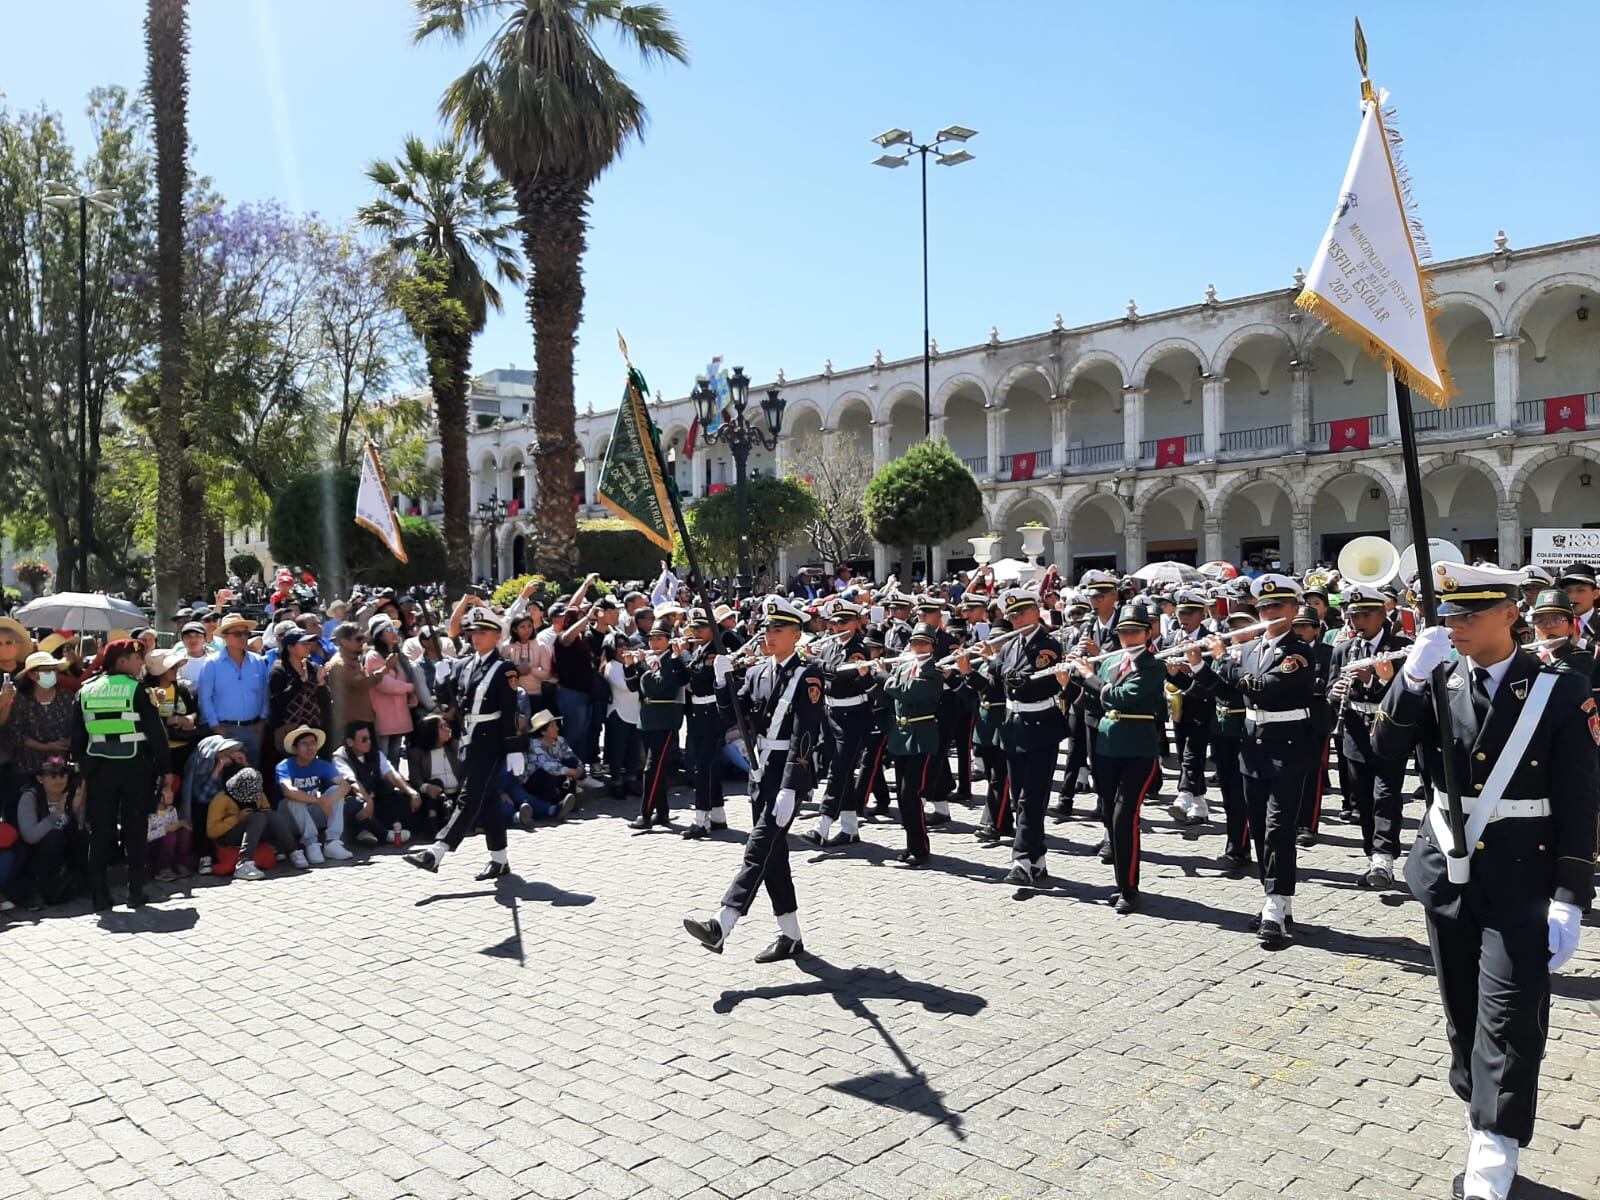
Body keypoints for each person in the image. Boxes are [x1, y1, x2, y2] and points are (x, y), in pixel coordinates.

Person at [1371, 562, 1597, 1200]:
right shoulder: (1436, 678)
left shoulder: (1560, 687)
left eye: (1471, 614)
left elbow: (1581, 798)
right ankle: (1480, 1110)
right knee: (1463, 1013)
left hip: (1525, 870)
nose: (1456, 626)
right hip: (1447, 865)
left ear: (1510, 614)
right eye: (1449, 616)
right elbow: (1383, 751)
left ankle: (1493, 1155)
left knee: (1510, 1014)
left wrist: (1572, 895)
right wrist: (1410, 678)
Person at [683, 595, 823, 962]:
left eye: (778, 628)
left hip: (787, 772)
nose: (770, 634)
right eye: (767, 628)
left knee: (757, 848)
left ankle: (722, 922)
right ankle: (790, 936)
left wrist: (792, 785)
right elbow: (734, 715)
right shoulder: (760, 671)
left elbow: (805, 734)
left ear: (796, 634)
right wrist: (722, 679)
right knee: (773, 855)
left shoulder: (807, 676)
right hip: (760, 770)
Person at [1186, 574, 1314, 946]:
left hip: (1288, 745)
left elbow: (1263, 688)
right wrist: (1198, 667)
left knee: (1278, 828)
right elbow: (1229, 692)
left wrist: (1224, 658)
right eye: (1264, 608)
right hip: (1253, 744)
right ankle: (1277, 895)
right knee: (1257, 825)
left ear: (1294, 610)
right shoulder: (1253, 649)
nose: (1270, 612)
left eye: (1278, 607)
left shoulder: (1298, 651)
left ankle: (1275, 903)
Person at [405, 607, 522, 879]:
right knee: (488, 799)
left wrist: (515, 748)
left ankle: (437, 851)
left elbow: (511, 712)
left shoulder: (504, 669)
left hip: (492, 740)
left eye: (483, 632)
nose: (476, 637)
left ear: (497, 636)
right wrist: (443, 676)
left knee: (470, 796)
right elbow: (447, 702)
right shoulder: (463, 664)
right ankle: (500, 860)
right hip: (469, 739)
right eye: (473, 632)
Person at [960, 587, 1066, 888]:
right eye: (1013, 616)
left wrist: (994, 662)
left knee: (1031, 797)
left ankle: (1020, 860)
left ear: (1036, 611)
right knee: (1020, 797)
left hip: (1040, 726)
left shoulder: (1049, 645)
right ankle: (1037, 858)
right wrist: (969, 673)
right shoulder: (1009, 647)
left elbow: (1026, 682)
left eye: (1022, 613)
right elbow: (994, 687)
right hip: (1013, 726)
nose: (1018, 620)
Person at [1067, 602, 1166, 914]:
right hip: (1107, 748)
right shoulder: (1110, 663)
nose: (1129, 637)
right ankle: (1121, 881)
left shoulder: (1153, 665)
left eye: (1135, 631)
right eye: (1124, 632)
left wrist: (1089, 677)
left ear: (1148, 633)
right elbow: (1092, 704)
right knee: (1109, 815)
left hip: (1138, 750)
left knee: (1125, 819)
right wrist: (1071, 681)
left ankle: (1130, 889)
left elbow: (1119, 696)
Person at [71, 639, 172, 911]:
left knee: (100, 832)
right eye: (137, 658)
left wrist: (86, 767)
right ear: (121, 661)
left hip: (99, 769)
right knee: (134, 829)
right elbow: (157, 736)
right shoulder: (138, 690)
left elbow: (77, 739)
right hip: (135, 768)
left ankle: (100, 896)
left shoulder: (85, 690)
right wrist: (166, 771)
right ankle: (135, 892)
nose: (141, 663)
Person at [1326, 584, 1411, 887]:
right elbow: (1329, 685)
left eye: (1364, 615)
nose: (1357, 622)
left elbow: (1409, 693)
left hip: (1387, 730)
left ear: (1381, 614)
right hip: (1354, 730)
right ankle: (1371, 853)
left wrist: (1376, 679)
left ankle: (1384, 856)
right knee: (1361, 797)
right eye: (1352, 616)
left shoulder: (1401, 646)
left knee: (1385, 795)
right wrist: (1335, 693)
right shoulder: (1343, 649)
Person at [803, 603, 873, 848]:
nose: (838, 627)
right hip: (831, 713)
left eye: (844, 623)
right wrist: (811, 656)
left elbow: (836, 675)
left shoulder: (858, 650)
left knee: (838, 772)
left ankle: (821, 825)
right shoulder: (831, 645)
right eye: (834, 623)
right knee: (839, 771)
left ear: (855, 623)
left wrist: (813, 659)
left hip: (852, 715)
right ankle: (850, 828)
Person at [879, 625, 942, 867]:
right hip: (900, 736)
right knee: (902, 797)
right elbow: (889, 696)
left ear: (932, 646)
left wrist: (884, 677)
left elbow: (907, 692)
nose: (918, 647)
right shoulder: (905, 666)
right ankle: (910, 843)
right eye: (915, 643)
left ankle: (920, 848)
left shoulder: (934, 672)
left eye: (924, 643)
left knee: (911, 795)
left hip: (921, 737)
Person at [625, 621, 688, 831]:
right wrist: (629, 666)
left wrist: (642, 666)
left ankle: (645, 814)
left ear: (669, 641)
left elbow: (657, 688)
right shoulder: (652, 659)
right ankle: (662, 813)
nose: (653, 642)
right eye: (651, 638)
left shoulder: (672, 659)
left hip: (665, 720)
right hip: (647, 719)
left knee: (651, 769)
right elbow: (634, 687)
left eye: (659, 638)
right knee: (656, 769)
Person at [680, 610, 732, 839]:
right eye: (694, 629)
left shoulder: (716, 652)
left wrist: (684, 658)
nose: (696, 632)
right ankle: (718, 815)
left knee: (702, 766)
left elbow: (700, 677)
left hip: (712, 711)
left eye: (701, 628)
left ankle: (701, 820)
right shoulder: (700, 650)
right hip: (698, 712)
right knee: (707, 765)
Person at [196, 614, 271, 765]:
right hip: (225, 730)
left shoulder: (258, 661)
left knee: (252, 777)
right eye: (238, 634)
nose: (243, 637)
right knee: (225, 777)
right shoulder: (212, 663)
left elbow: (265, 694)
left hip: (253, 729)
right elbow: (205, 697)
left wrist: (262, 722)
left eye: (246, 633)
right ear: (225, 637)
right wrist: (215, 726)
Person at [333, 722, 421, 846]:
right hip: (356, 800)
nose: (369, 742)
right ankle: (384, 834)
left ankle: (367, 831)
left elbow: (391, 774)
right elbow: (352, 781)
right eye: (364, 740)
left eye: (369, 738)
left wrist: (411, 792)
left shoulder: (375, 753)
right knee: (355, 805)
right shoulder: (339, 757)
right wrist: (368, 800)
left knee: (404, 798)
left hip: (376, 799)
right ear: (350, 742)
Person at [273, 726, 352, 864]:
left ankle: (332, 842)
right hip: (290, 819)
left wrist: (327, 801)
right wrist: (319, 801)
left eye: (313, 743)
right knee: (293, 799)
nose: (310, 748)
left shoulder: (322, 765)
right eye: (304, 744)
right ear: (295, 748)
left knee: (335, 790)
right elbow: (288, 791)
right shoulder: (284, 766)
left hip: (313, 815)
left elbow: (345, 785)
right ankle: (311, 844)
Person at [15, 756, 85, 908]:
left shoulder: (71, 794)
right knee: (54, 837)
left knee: (81, 837)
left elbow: (81, 830)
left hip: (65, 855)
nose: (58, 780)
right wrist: (54, 816)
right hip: (36, 855)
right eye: (52, 776)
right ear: (40, 778)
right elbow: (30, 836)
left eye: (62, 775)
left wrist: (77, 810)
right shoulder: (30, 797)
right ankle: (36, 892)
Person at [206, 767, 298, 881]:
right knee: (258, 817)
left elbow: (266, 811)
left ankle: (293, 851)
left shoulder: (258, 793)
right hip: (227, 836)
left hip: (253, 833)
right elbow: (212, 831)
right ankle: (243, 863)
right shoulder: (221, 799)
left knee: (270, 814)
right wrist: (237, 818)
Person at [10, 650, 73, 776]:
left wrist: (68, 742)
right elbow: (17, 734)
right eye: (47, 671)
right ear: (32, 675)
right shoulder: (22, 700)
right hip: (30, 766)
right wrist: (44, 747)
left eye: (54, 670)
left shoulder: (67, 697)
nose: (52, 674)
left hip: (62, 769)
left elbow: (77, 727)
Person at [366, 618, 417, 765]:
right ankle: (383, 786)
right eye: (389, 630)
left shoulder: (398, 656)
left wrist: (411, 693)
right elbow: (386, 685)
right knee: (383, 755)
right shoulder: (373, 656)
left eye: (395, 630)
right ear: (380, 635)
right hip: (383, 714)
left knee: (395, 755)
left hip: (399, 712)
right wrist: (410, 688)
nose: (394, 633)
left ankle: (392, 786)